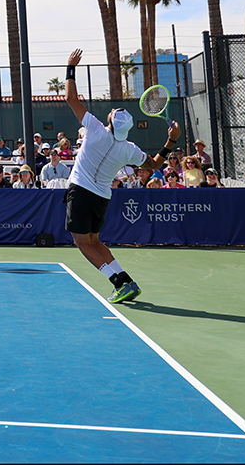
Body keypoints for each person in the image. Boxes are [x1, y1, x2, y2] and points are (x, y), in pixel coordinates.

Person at [64, 48, 180, 304]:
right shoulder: (129, 149)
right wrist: (170, 141)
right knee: (95, 240)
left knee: (83, 244)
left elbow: (71, 99)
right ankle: (127, 280)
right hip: (101, 198)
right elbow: (154, 165)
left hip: (81, 192)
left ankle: (117, 282)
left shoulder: (95, 129)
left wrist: (70, 68)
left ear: (110, 121)